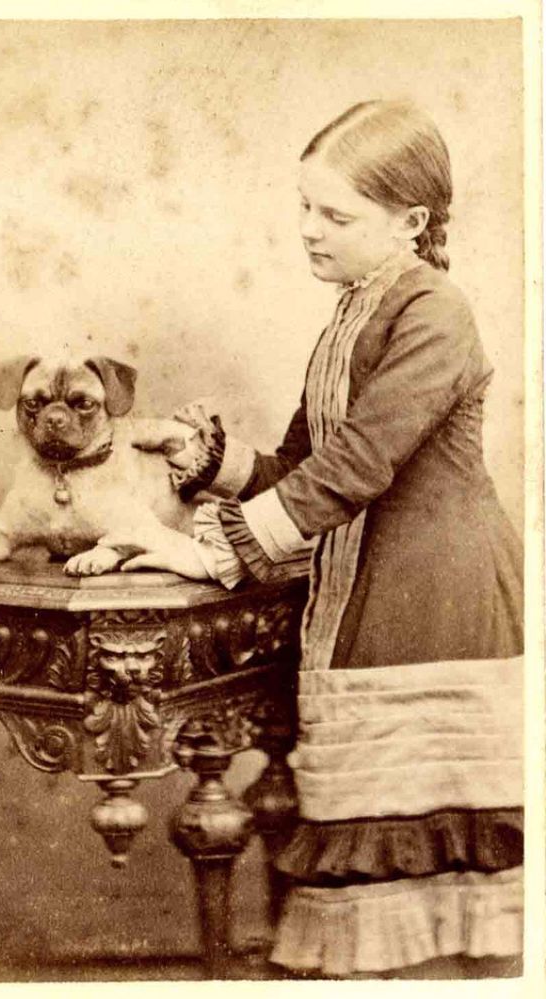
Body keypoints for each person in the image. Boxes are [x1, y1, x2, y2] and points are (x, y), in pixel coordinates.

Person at [121, 100, 524, 979]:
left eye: (335, 215)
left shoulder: (437, 312)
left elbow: (358, 466)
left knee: (439, 874)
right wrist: (206, 459)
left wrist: (214, 550)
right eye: (304, 206)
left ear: (411, 221)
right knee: (373, 858)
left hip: (436, 599)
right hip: (362, 592)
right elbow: (302, 465)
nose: (308, 229)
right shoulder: (351, 313)